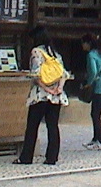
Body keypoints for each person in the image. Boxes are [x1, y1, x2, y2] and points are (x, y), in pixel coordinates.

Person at [14, 25, 69, 165]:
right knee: (53, 126)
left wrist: (47, 89)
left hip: (40, 95)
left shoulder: (36, 52)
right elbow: (63, 73)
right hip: (57, 96)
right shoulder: (54, 53)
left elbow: (36, 75)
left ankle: (26, 157)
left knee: (32, 126)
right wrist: (59, 89)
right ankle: (52, 157)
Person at [81, 34, 101, 151]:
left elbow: (93, 72)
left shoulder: (91, 55)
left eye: (83, 43)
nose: (82, 46)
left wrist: (88, 84)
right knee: (95, 114)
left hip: (99, 88)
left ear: (88, 43)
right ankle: (95, 139)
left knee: (95, 115)